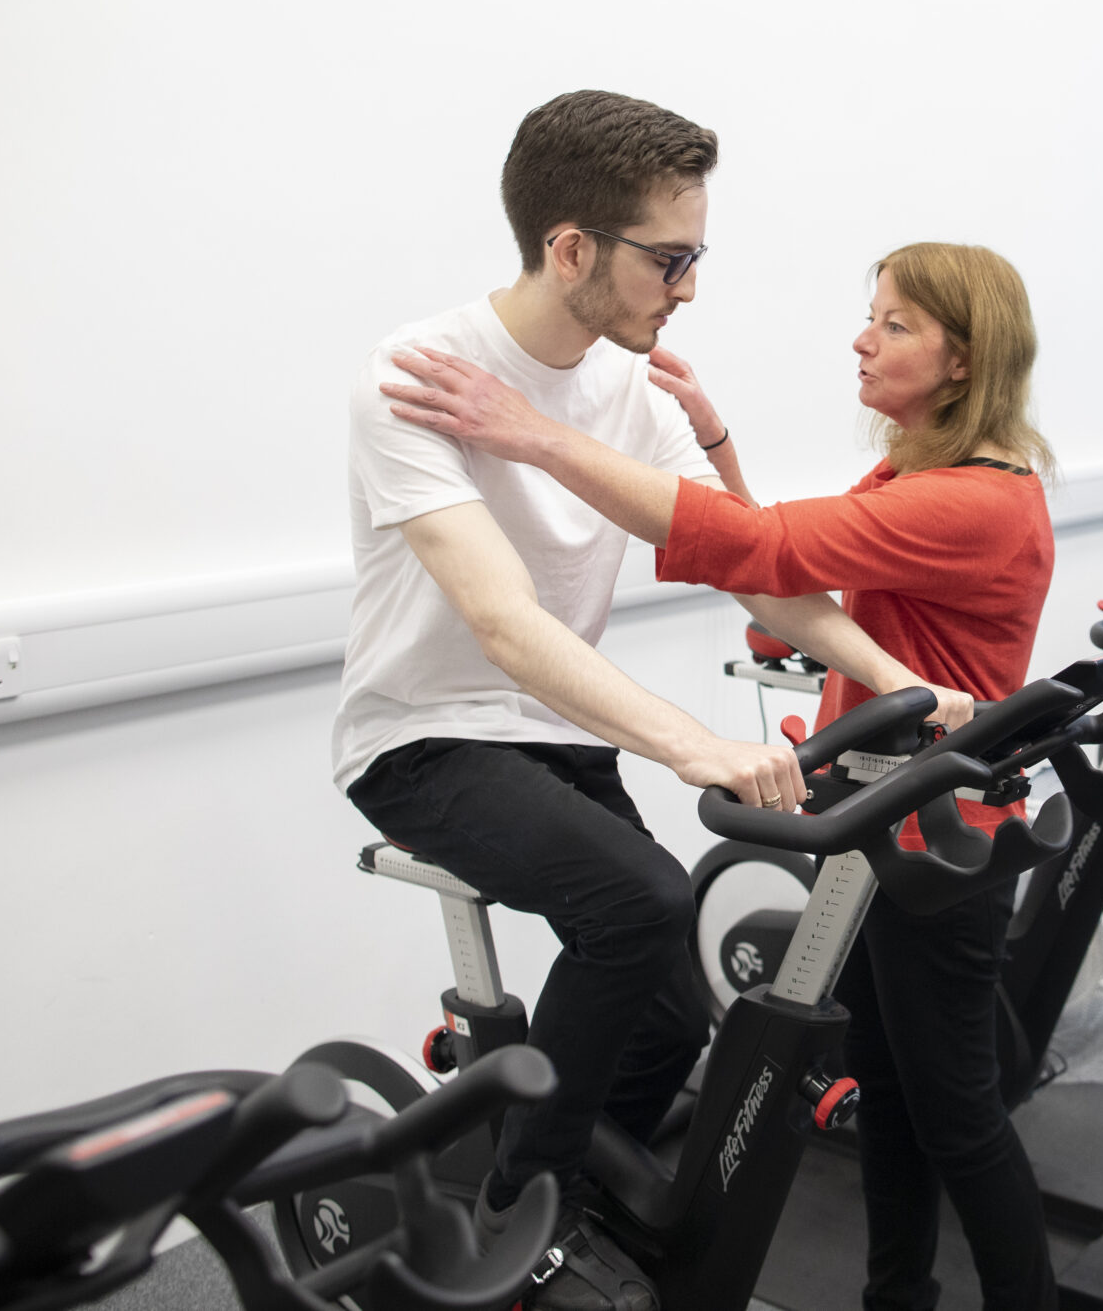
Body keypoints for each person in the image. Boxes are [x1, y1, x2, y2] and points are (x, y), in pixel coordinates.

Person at [334, 91, 966, 1305]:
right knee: (641, 902)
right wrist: (695, 747)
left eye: (696, 259)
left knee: (675, 1024)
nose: (687, 290)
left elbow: (748, 566)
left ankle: (561, 1176)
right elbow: (506, 626)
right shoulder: (416, 377)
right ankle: (527, 1213)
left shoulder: (631, 390)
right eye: (669, 261)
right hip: (422, 740)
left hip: (557, 743)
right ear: (571, 247)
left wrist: (907, 684)